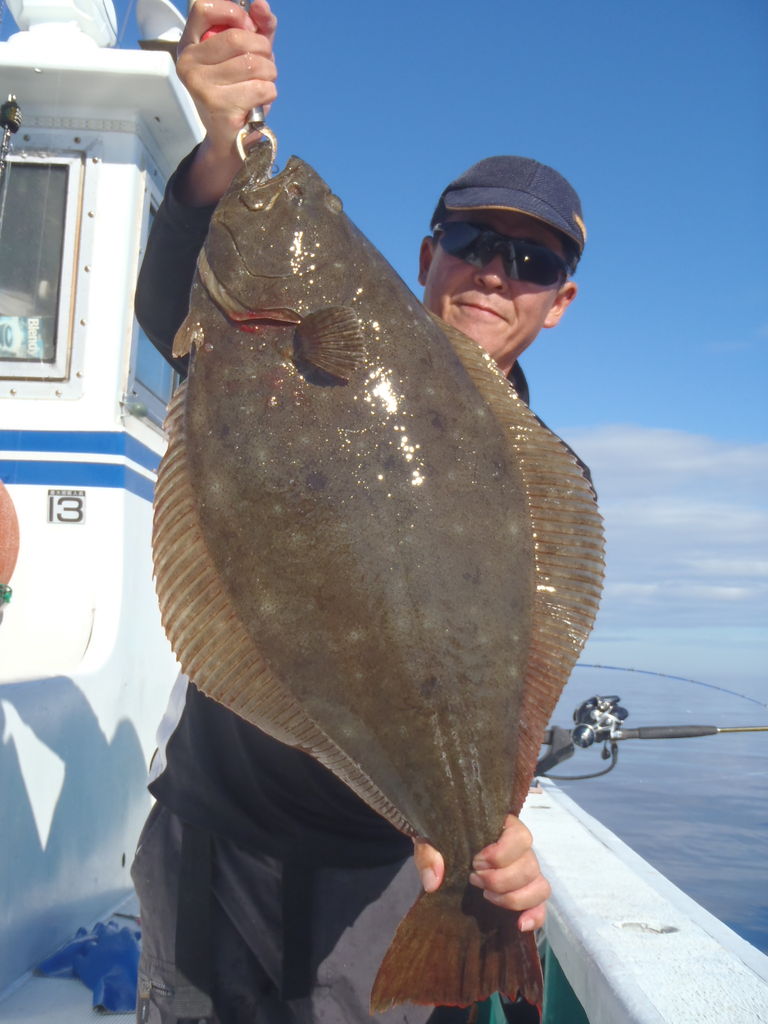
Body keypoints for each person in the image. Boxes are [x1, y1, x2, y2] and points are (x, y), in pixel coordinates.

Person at [131, 2, 587, 1021]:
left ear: (560, 302)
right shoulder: (270, 350)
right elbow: (173, 305)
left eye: (536, 262)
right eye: (474, 240)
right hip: (212, 828)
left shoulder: (532, 491)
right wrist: (220, 143)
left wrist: (493, 836)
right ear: (425, 255)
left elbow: (497, 700)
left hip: (381, 879)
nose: (496, 273)